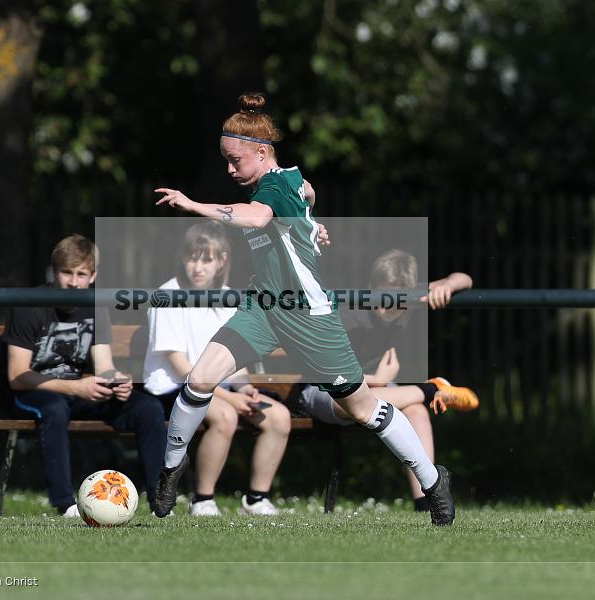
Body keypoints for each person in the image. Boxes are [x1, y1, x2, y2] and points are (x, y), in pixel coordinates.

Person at [153, 93, 456, 525]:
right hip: (263, 306)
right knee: (200, 377)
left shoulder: (273, 186)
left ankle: (432, 480)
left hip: (307, 314)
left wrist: (194, 205)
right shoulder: (289, 181)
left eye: (235, 160)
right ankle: (170, 471)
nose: (229, 169)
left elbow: (257, 219)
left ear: (262, 152)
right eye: (225, 160)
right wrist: (310, 225)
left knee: (363, 409)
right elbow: (307, 195)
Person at [297, 249, 478, 509]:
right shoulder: (349, 313)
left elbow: (465, 279)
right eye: (383, 297)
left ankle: (427, 499)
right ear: (372, 287)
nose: (388, 306)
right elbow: (323, 369)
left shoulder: (410, 297)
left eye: (397, 300)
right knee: (348, 400)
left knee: (416, 411)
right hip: (325, 388)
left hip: (379, 389)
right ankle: (430, 389)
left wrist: (447, 285)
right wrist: (376, 379)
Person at [4, 234, 166, 517]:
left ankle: (161, 503)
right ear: (53, 272)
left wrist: (118, 381)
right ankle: (65, 503)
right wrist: (76, 388)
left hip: (78, 391)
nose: (74, 282)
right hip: (34, 392)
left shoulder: (95, 305)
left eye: (81, 274)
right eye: (67, 273)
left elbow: (103, 365)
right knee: (53, 408)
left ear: (93, 276)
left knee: (147, 408)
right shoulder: (28, 306)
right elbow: (17, 376)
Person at [143, 221, 291, 516]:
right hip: (173, 387)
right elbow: (181, 367)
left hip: (216, 389)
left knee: (279, 417)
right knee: (225, 416)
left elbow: (232, 360)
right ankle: (203, 500)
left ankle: (256, 498)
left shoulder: (228, 298)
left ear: (222, 260)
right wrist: (230, 399)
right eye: (192, 257)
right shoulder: (167, 294)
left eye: (206, 259)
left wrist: (244, 388)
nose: (197, 267)